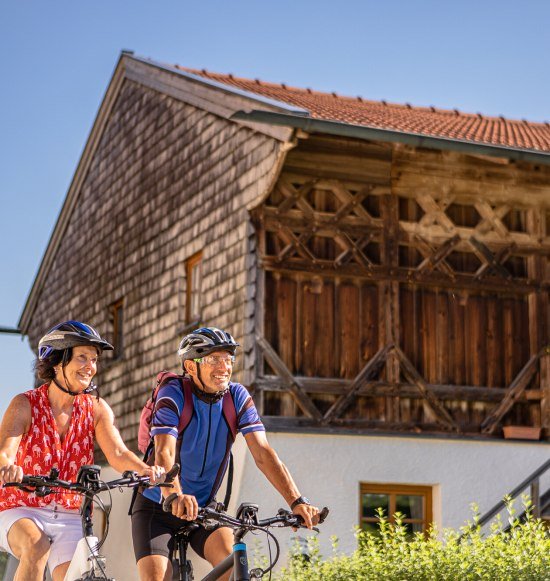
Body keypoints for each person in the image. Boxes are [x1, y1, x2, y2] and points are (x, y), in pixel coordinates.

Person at [131, 326, 321, 581]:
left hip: (204, 508)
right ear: (190, 366)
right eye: (213, 359)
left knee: (234, 567)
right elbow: (165, 451)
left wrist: (297, 501)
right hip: (159, 505)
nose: (224, 367)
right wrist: (174, 495)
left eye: (228, 359)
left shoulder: (237, 397)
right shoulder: (173, 393)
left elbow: (263, 452)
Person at [0, 320, 166, 581]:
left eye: (94, 359)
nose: (91, 366)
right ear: (57, 362)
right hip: (22, 506)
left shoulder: (96, 409)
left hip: (69, 513)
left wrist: (146, 470)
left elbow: (119, 454)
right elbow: (5, 452)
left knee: (80, 575)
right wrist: (9, 466)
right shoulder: (24, 404)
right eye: (82, 357)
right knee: (36, 545)